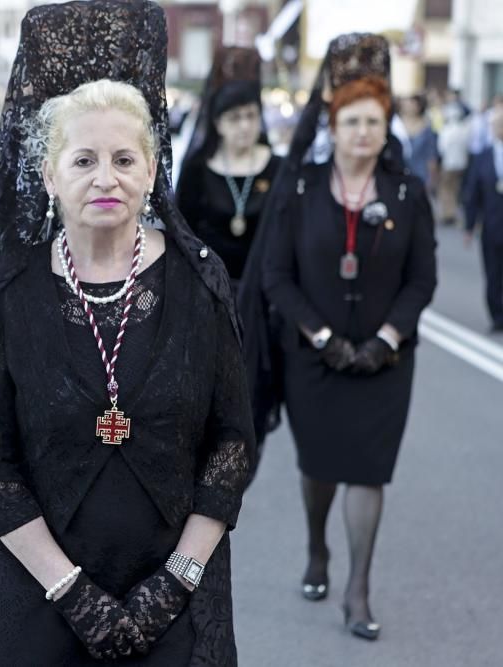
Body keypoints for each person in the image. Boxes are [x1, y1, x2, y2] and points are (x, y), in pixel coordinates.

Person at [0, 2, 252, 664]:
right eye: (84, 159)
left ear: (152, 172)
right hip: (35, 596)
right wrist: (71, 591)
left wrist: (176, 580)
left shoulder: (199, 282)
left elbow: (231, 442)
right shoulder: (10, 296)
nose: (106, 178)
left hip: (171, 594)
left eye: (126, 158)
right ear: (47, 175)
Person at [260, 34, 437, 640]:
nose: (364, 131)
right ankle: (317, 549)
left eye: (375, 121)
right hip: (314, 357)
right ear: (332, 127)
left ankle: (358, 590)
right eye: (352, 121)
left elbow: (422, 280)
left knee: (368, 471)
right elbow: (275, 275)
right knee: (320, 466)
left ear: (387, 128)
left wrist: (387, 338)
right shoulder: (302, 189)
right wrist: (322, 336)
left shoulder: (409, 194)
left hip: (386, 361)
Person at [177, 46, 281, 282]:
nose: (244, 126)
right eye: (235, 118)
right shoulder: (198, 169)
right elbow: (184, 235)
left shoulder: (278, 168)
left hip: (265, 290)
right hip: (209, 288)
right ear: (217, 123)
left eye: (251, 116)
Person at [463, 106, 503, 333]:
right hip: (492, 225)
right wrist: (469, 226)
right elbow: (473, 192)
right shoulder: (483, 157)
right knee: (493, 273)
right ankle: (498, 315)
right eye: (497, 125)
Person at [437, 102, 470, 226]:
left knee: (446, 189)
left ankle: (447, 213)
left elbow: (442, 148)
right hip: (461, 164)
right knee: (455, 189)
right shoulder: (464, 129)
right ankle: (453, 212)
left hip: (449, 164)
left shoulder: (447, 130)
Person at [398, 95, 439, 195]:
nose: (410, 105)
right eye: (407, 101)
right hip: (397, 175)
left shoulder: (427, 127)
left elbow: (431, 156)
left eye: (414, 102)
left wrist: (432, 179)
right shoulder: (395, 125)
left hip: (420, 176)